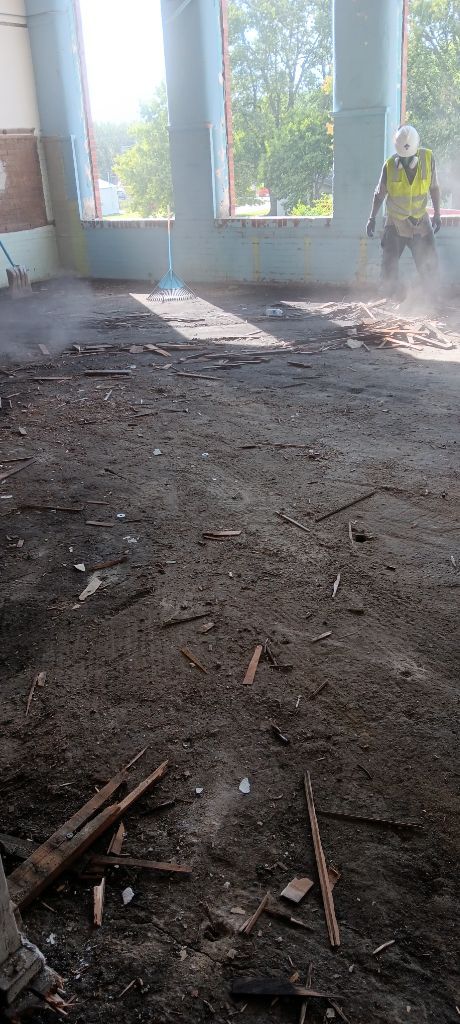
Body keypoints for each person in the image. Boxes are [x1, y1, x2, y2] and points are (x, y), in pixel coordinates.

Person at [366, 124, 441, 298]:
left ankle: (432, 299)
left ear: (416, 150)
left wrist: (437, 214)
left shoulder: (428, 158)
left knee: (430, 263)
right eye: (403, 158)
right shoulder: (390, 166)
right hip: (396, 222)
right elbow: (379, 195)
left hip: (420, 222)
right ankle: (388, 300)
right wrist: (371, 218)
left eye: (410, 158)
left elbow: (435, 188)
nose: (406, 163)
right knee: (389, 265)